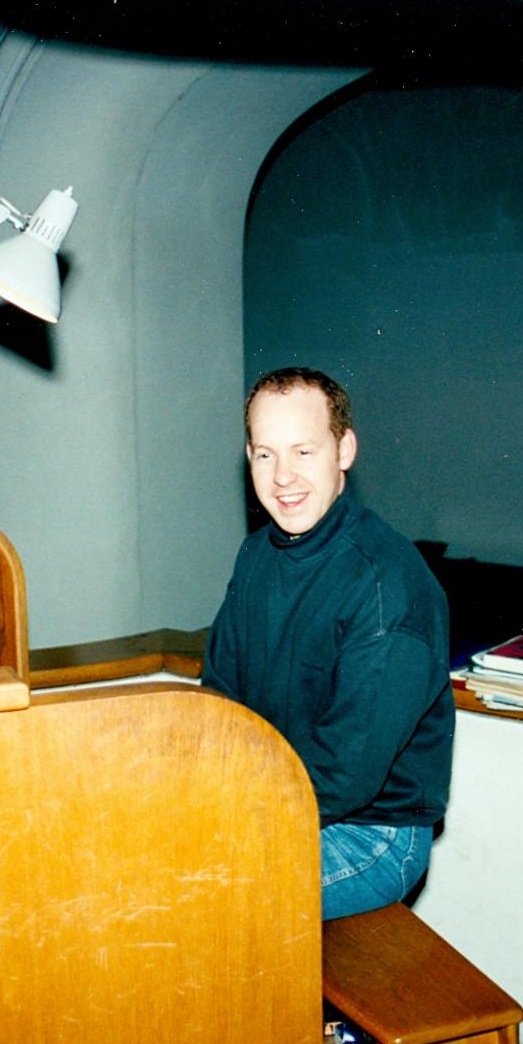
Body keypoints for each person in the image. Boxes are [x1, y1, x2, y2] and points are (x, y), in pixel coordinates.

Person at [201, 366, 454, 920]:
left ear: (344, 450)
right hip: (284, 804)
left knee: (195, 902)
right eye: (265, 455)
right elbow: (218, 703)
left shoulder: (387, 583)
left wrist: (229, 822)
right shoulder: (258, 555)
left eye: (304, 452)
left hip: (372, 833)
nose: (283, 476)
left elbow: (347, 775)